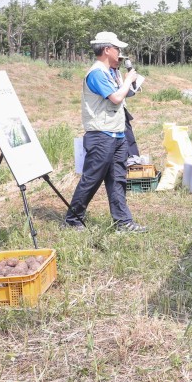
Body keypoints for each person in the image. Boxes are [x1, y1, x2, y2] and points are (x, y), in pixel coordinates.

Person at [65, 31, 146, 233]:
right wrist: (128, 80)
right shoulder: (96, 73)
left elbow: (124, 95)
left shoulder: (111, 71)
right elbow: (116, 98)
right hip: (101, 135)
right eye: (117, 48)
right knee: (92, 179)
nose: (120, 53)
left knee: (118, 178)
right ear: (107, 49)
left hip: (117, 134)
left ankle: (123, 222)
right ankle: (73, 219)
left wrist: (129, 83)